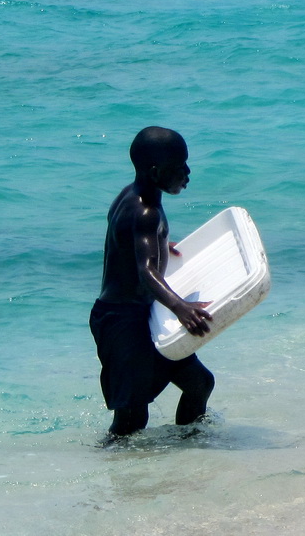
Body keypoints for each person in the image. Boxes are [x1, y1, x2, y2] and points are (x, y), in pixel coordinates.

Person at [89, 126, 215, 439]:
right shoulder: (145, 212)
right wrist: (181, 308)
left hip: (141, 315)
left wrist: (162, 245)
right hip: (122, 321)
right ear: (157, 171)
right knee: (130, 418)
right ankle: (117, 476)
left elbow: (128, 242)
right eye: (179, 167)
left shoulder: (131, 195)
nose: (187, 173)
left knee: (200, 383)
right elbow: (146, 274)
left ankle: (190, 448)